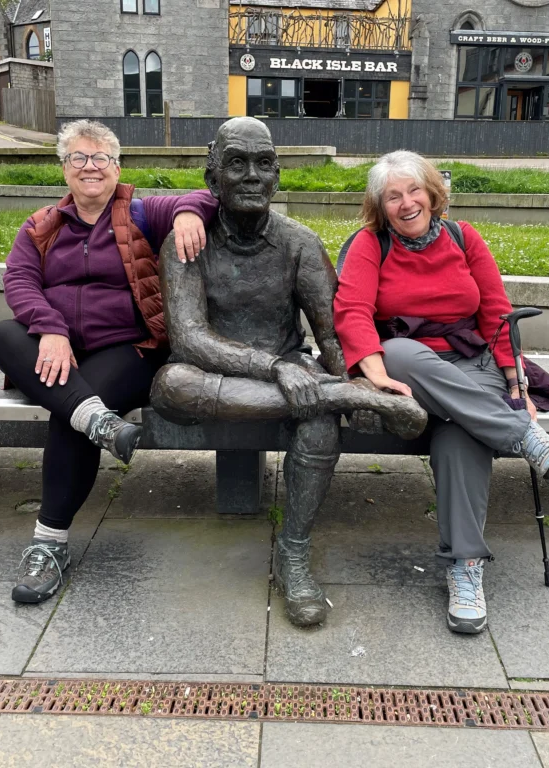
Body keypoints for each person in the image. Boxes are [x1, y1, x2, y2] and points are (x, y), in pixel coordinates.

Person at [150, 118, 429, 627]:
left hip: (293, 373)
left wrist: (352, 373)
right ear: (213, 180)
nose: (253, 176)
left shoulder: (298, 243)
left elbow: (331, 332)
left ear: (278, 177)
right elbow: (189, 338)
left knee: (317, 419)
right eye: (237, 164)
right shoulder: (188, 243)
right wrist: (293, 373)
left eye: (264, 164)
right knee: (171, 384)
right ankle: (342, 398)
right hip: (218, 377)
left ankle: (293, 553)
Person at [333, 150, 549, 635]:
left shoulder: (465, 238)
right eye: (393, 196)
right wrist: (376, 373)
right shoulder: (368, 244)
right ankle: (523, 436)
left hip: (473, 366)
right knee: (401, 350)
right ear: (380, 207)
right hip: (408, 369)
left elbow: (497, 316)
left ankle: (465, 568)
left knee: (461, 437)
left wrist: (515, 384)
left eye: (414, 190)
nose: (406, 203)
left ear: (432, 192)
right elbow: (353, 310)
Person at [0, 119, 219, 604]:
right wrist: (50, 328)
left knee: (67, 414)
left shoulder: (141, 212)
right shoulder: (40, 226)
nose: (90, 167)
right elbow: (20, 284)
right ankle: (101, 423)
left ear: (117, 167)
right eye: (78, 157)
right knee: (2, 334)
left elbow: (204, 198)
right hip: (57, 351)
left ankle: (48, 546)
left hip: (126, 351)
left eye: (101, 158)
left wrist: (187, 216)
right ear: (64, 167)